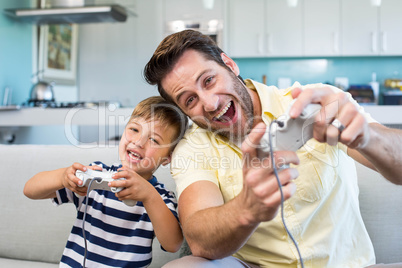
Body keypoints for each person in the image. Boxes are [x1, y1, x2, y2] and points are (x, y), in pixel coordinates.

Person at [143, 29, 402, 267]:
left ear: (230, 65)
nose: (209, 104)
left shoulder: (310, 103)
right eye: (190, 100)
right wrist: (247, 209)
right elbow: (198, 238)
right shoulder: (193, 146)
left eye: (209, 80)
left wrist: (367, 137)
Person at [23, 96, 188, 267]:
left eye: (154, 139)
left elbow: (173, 244)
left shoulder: (160, 197)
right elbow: (30, 190)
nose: (138, 142)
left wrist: (149, 196)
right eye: (134, 129)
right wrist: (63, 176)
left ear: (167, 158)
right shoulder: (95, 177)